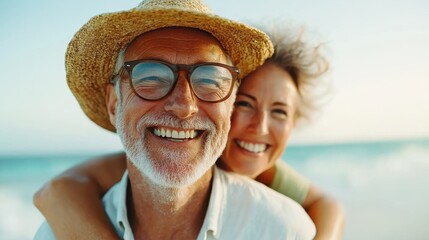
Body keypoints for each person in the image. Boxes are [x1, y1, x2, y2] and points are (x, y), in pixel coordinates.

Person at [35, 18, 344, 239]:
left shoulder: (281, 213)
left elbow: (327, 206)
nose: (185, 106)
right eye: (246, 105)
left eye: (209, 83)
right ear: (113, 102)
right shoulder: (131, 164)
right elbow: (59, 190)